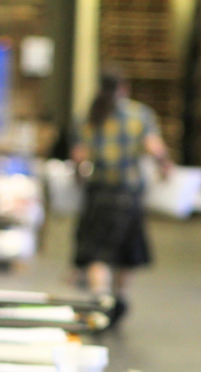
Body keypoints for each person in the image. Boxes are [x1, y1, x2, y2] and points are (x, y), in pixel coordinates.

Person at [70, 67, 172, 324]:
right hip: (129, 196)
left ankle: (99, 296)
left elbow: (79, 157)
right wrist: (165, 167)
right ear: (124, 87)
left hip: (99, 193)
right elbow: (155, 148)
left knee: (97, 250)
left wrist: (78, 177)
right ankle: (120, 297)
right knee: (126, 250)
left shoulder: (92, 115)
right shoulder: (140, 115)